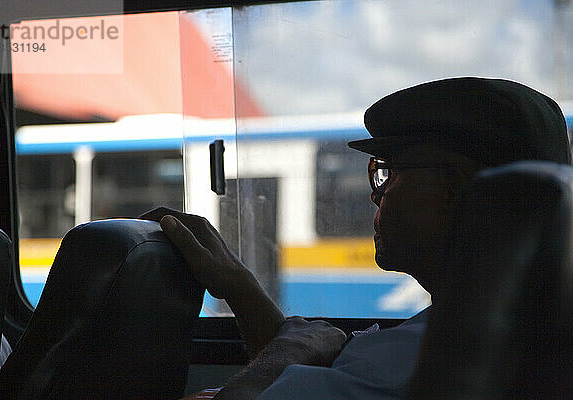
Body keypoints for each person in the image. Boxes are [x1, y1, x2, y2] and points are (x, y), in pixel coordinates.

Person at [146, 77, 571, 400]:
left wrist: (290, 351)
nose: (376, 193)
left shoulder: (407, 363)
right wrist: (241, 289)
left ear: (457, 189)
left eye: (388, 171)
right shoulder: (514, 336)